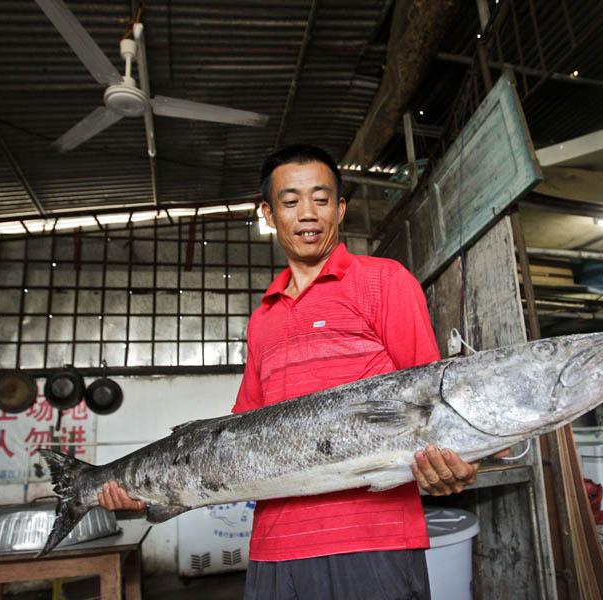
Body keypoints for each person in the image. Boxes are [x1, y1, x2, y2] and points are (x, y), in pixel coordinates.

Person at [99, 144, 505, 599]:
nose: (307, 213)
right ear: (269, 214)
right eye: (290, 202)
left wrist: (461, 462)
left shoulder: (384, 281)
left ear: (341, 208)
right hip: (275, 550)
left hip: (374, 542)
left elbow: (433, 402)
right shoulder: (263, 318)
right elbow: (237, 436)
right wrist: (151, 490)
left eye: (321, 198)